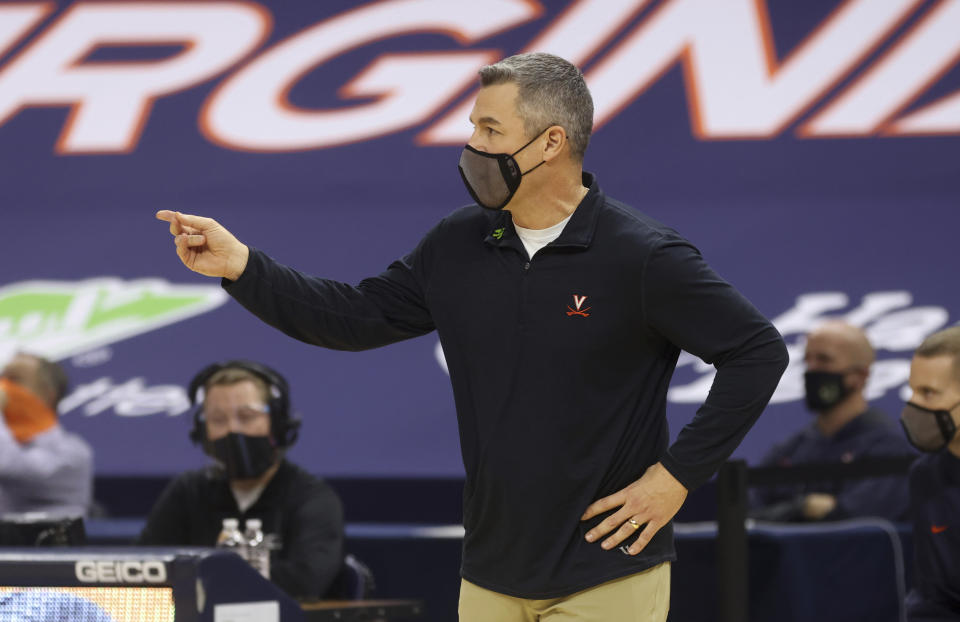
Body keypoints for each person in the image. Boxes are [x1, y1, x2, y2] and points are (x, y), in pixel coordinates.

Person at [157, 53, 788, 621]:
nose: (471, 146)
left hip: (605, 568)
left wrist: (676, 476)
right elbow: (350, 317)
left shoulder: (643, 256)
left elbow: (757, 352)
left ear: (551, 143)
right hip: (490, 570)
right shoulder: (457, 244)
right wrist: (242, 267)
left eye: (490, 131)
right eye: (473, 127)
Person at [138, 360, 344, 600]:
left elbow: (305, 583)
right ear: (202, 431)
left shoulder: (311, 498)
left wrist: (200, 582)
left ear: (278, 424)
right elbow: (143, 571)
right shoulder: (188, 491)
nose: (232, 430)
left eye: (247, 416)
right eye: (217, 419)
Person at [751, 320, 914, 521]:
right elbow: (744, 517)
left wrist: (791, 513)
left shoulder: (889, 449)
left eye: (824, 360)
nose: (811, 369)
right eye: (807, 360)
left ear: (859, 376)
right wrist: (803, 508)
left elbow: (858, 520)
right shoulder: (790, 451)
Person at [900, 326, 960, 620]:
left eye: (928, 393)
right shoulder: (925, 475)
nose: (914, 406)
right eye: (912, 390)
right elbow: (933, 598)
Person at [0, 352, 92, 517]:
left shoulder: (72, 452)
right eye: (2, 378)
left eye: (14, 380)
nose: (3, 387)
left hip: (43, 541)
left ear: (47, 395)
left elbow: (7, 464)